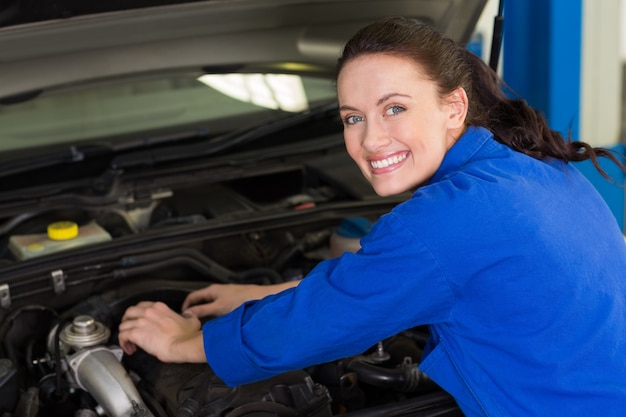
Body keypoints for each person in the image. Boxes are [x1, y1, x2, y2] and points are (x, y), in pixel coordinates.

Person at [118, 16, 626, 416]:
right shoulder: (538, 171)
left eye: (395, 108)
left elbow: (320, 322)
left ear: (454, 107)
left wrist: (188, 341)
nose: (370, 139)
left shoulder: (444, 220)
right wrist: (261, 295)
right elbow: (385, 285)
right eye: (353, 118)